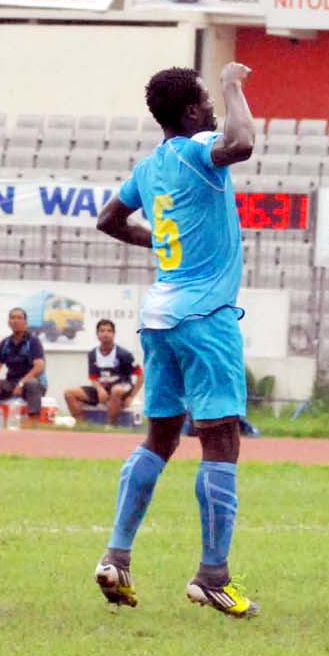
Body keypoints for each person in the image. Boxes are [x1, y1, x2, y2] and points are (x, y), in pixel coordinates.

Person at [92, 63, 258, 618]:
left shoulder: (149, 167)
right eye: (206, 101)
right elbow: (242, 142)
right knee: (221, 440)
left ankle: (116, 555)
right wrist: (233, 85)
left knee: (160, 437)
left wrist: (162, 245)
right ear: (190, 113)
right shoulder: (199, 148)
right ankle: (213, 575)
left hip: (158, 317)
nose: (212, 108)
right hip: (205, 316)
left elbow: (109, 219)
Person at [66, 318, 144, 428]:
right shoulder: (92, 354)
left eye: (109, 331)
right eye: (102, 331)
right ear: (97, 334)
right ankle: (82, 424)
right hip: (102, 390)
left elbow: (141, 375)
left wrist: (131, 396)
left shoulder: (124, 354)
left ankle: (110, 425)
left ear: (114, 334)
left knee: (116, 390)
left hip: (122, 388)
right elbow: (93, 378)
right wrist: (99, 389)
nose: (105, 334)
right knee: (69, 393)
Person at [0, 308, 45, 424]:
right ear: (8, 322)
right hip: (11, 383)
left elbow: (39, 367)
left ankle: (33, 419)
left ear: (25, 322)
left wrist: (21, 383)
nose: (15, 321)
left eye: (19, 318)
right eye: (12, 318)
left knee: (32, 383)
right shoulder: (5, 343)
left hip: (33, 384)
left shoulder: (33, 341)